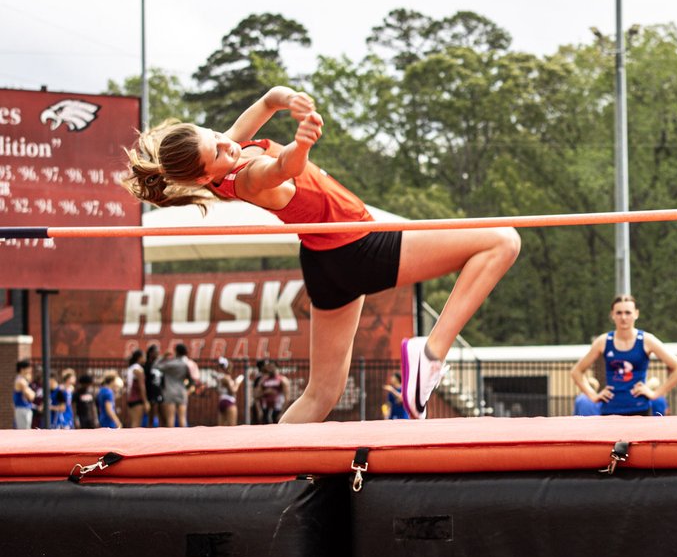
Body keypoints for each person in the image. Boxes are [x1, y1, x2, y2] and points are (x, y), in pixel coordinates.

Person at [123, 86, 520, 423]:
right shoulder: (247, 178)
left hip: (322, 260)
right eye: (220, 151)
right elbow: (282, 167)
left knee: (321, 395)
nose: (228, 143)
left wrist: (293, 99)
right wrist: (302, 142)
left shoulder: (222, 154)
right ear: (203, 177)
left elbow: (268, 100)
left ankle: (272, 477)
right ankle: (430, 353)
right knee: (503, 241)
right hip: (357, 246)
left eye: (216, 135)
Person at [569, 295, 677, 416]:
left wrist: (655, 394)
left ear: (636, 314)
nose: (623, 317)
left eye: (628, 312)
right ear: (612, 315)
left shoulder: (646, 340)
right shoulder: (604, 341)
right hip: (610, 411)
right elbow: (576, 371)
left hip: (640, 410)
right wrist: (593, 396)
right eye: (619, 313)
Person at [156, 345, 193, 428]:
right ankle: (184, 438)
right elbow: (191, 379)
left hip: (170, 391)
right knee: (182, 417)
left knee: (170, 418)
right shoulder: (186, 364)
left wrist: (163, 357)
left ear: (176, 352)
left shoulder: (170, 364)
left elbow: (156, 366)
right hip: (182, 391)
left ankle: (171, 439)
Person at [214, 357, 243, 426]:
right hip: (229, 401)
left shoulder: (219, 377)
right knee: (232, 426)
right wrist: (238, 382)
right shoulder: (226, 378)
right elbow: (233, 390)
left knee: (221, 427)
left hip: (222, 401)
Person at [124, 348, 149, 427]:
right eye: (144, 357)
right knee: (136, 423)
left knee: (133, 422)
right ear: (139, 358)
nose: (145, 359)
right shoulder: (139, 370)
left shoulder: (130, 368)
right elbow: (142, 386)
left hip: (130, 398)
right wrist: (145, 401)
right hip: (137, 398)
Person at [144, 343, 164, 426]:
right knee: (151, 415)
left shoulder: (160, 365)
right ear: (151, 353)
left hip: (160, 392)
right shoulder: (146, 365)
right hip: (150, 393)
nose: (157, 354)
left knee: (162, 414)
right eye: (156, 352)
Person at [12, 359, 36, 429]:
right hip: (22, 409)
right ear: (22, 369)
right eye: (28, 368)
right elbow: (31, 396)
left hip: (24, 409)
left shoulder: (23, 380)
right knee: (23, 433)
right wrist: (32, 392)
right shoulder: (21, 381)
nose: (30, 370)